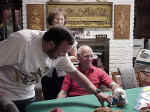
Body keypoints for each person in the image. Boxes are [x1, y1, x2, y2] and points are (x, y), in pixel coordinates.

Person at [0, 25, 122, 112]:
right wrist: (3, 97)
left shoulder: (60, 53)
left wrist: (98, 93)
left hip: (27, 96)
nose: (65, 55)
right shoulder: (22, 42)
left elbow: (76, 75)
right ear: (50, 44)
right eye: (64, 51)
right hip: (5, 96)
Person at [57, 45, 126, 104]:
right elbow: (63, 92)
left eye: (91, 56)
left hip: (93, 101)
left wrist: (117, 90)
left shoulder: (99, 71)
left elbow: (113, 84)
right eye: (86, 56)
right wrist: (57, 104)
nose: (90, 59)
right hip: (75, 102)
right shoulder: (71, 72)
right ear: (78, 57)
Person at [41, 8, 77, 100]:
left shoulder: (69, 36)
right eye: (56, 19)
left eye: (61, 19)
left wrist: (63, 57)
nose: (59, 21)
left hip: (62, 72)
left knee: (62, 94)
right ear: (51, 21)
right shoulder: (46, 34)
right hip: (46, 71)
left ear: (64, 21)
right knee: (48, 95)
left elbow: (75, 56)